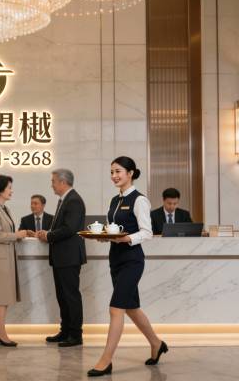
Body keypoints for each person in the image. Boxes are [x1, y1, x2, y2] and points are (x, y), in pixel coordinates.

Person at [88, 156, 168, 377]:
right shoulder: (115, 200)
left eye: (118, 171)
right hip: (115, 258)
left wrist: (126, 239)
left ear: (130, 173)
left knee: (116, 309)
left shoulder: (139, 200)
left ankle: (105, 361)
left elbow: (147, 232)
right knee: (131, 308)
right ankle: (156, 343)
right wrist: (105, 236)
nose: (114, 176)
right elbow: (113, 229)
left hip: (132, 260)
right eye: (112, 172)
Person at [36, 168, 86, 347]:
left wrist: (49, 236)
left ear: (63, 182)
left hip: (69, 257)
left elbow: (70, 228)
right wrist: (48, 232)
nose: (52, 185)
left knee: (71, 296)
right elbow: (62, 226)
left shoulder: (74, 200)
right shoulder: (64, 200)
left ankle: (75, 334)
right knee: (62, 296)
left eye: (53, 181)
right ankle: (65, 331)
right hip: (61, 257)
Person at [0, 175, 28, 347]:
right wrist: (17, 235)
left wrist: (19, 235)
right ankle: (1, 335)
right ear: (0, 189)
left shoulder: (3, 208)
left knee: (1, 297)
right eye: (9, 187)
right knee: (0, 298)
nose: (11, 191)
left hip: (4, 257)